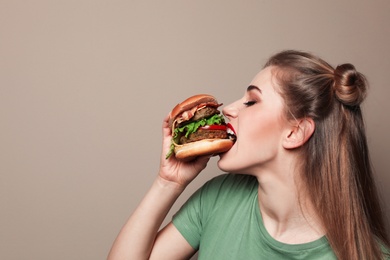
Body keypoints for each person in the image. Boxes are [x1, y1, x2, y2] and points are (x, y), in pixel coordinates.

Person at [108, 50, 390, 259]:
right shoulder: (219, 198)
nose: (228, 109)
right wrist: (167, 182)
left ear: (295, 132)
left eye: (251, 101)